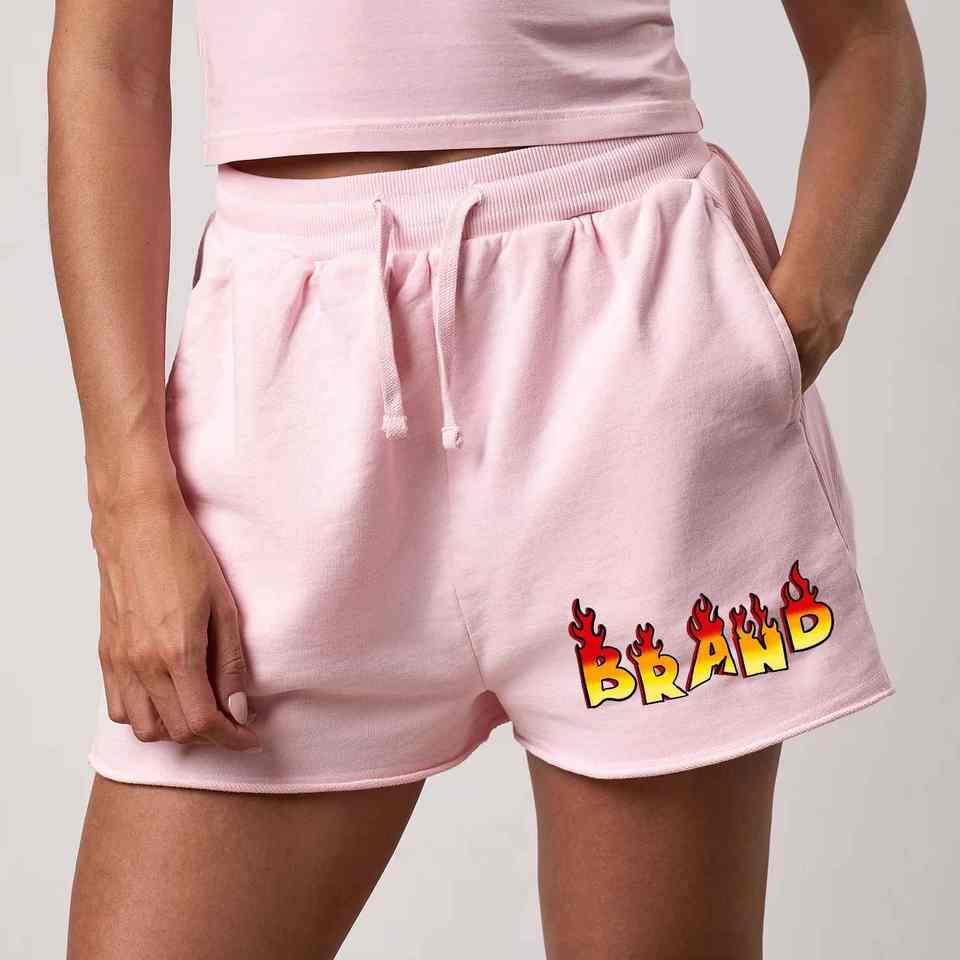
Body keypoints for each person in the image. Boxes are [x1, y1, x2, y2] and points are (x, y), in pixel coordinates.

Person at [49, 1, 924, 957]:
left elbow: (865, 40)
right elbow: (110, 66)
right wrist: (127, 507)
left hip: (632, 366)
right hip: (287, 397)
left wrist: (791, 327)